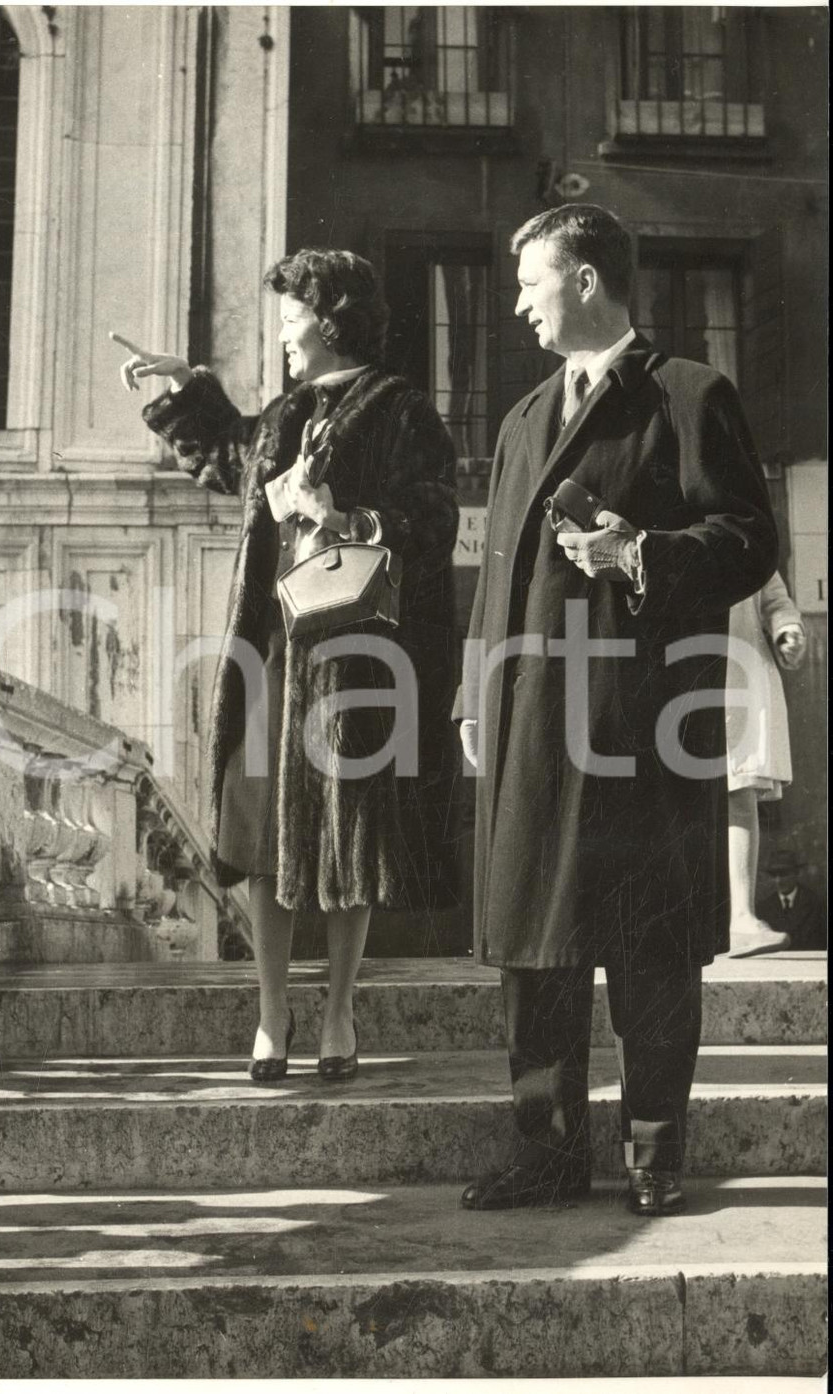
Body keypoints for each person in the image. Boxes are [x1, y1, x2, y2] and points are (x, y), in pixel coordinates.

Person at [454, 204, 777, 1217]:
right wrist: (474, 688)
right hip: (529, 719)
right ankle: (544, 1150)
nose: (517, 305)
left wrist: (637, 551)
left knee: (651, 949)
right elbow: (495, 575)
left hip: (640, 725)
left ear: (586, 278)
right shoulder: (517, 423)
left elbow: (748, 538)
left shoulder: (687, 395)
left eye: (530, 283)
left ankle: (653, 1150)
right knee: (532, 946)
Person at [113, 248, 460, 1083]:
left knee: (351, 834)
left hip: (353, 658)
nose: (282, 339)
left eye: (290, 322)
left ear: (331, 320)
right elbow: (231, 458)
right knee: (261, 828)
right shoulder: (283, 413)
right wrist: (182, 388)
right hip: (271, 648)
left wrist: (344, 513)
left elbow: (436, 516)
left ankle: (338, 1009)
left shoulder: (404, 411)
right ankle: (273, 1012)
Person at [725, 572, 808, 957]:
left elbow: (772, 594)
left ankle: (741, 916)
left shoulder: (742, 522)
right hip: (672, 671)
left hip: (734, 675)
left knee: (738, 790)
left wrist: (786, 628)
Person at [757, 847, 827, 951]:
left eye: (784, 874)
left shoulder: (816, 903)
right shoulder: (764, 908)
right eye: (774, 875)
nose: (778, 881)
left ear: (797, 873)